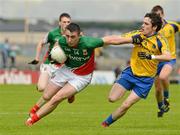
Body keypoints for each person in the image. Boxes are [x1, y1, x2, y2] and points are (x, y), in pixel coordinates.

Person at [25, 22, 144, 126]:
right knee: (46, 96)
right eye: (67, 36)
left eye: (73, 37)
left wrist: (132, 39)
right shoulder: (62, 40)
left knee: (57, 98)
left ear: (80, 35)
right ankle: (69, 93)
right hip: (66, 70)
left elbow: (111, 40)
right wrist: (55, 55)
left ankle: (32, 120)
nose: (69, 40)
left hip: (82, 77)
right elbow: (56, 47)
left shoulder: (88, 42)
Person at [101, 13, 171, 127]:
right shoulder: (137, 34)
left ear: (154, 27)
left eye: (146, 23)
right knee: (112, 98)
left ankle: (105, 124)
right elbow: (118, 39)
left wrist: (152, 57)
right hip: (131, 73)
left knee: (126, 105)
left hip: (145, 81)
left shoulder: (160, 40)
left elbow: (168, 57)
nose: (142, 25)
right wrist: (98, 42)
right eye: (143, 22)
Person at [28, 13, 74, 117]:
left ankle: (34, 110)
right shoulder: (52, 34)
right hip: (49, 64)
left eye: (68, 22)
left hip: (62, 67)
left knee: (49, 95)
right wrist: (36, 58)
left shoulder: (74, 34)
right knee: (41, 88)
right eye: (64, 22)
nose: (66, 24)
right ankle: (67, 91)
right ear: (59, 23)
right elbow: (41, 43)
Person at [151, 5, 180, 117]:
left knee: (163, 77)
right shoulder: (152, 29)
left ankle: (166, 97)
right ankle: (161, 108)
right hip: (156, 60)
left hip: (169, 58)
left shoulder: (172, 26)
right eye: (154, 16)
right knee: (158, 90)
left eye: (158, 15)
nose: (156, 18)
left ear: (163, 14)